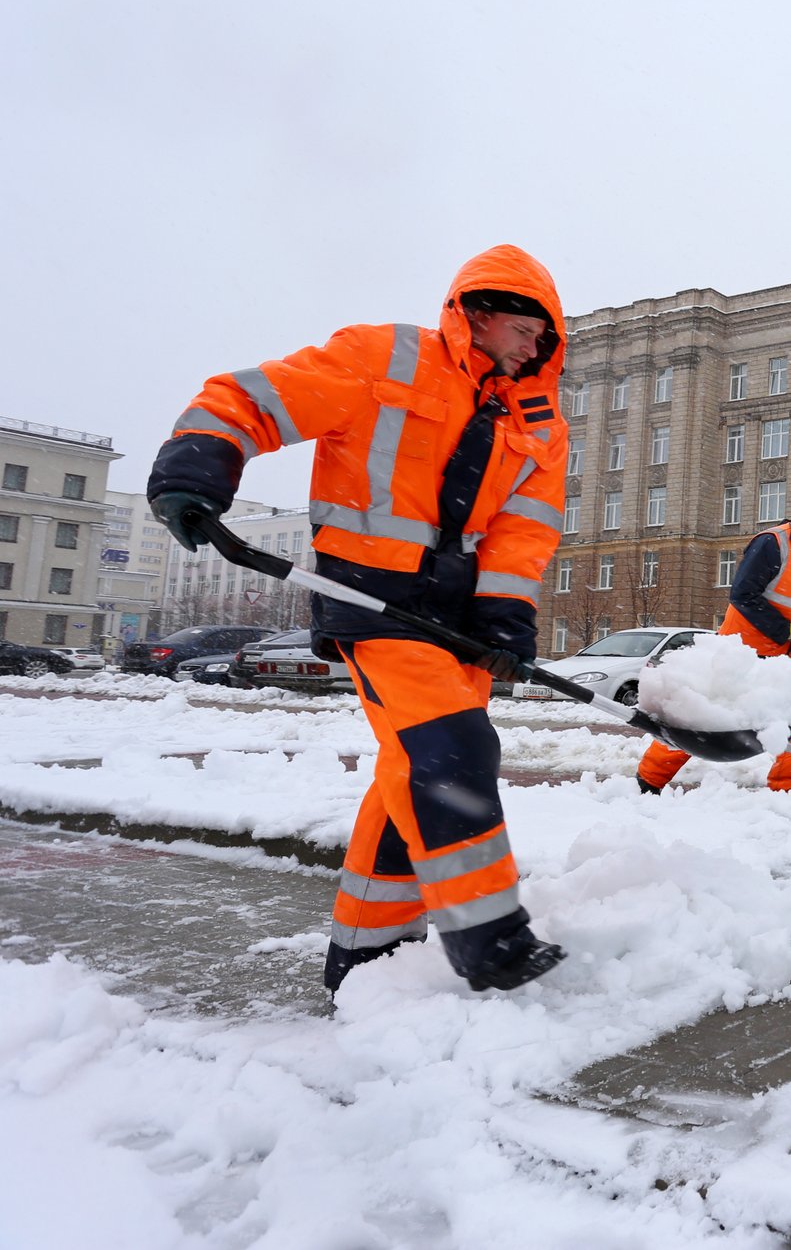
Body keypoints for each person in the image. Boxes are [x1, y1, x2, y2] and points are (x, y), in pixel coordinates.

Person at [146, 245, 571, 994]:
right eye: (532, 331)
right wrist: (197, 468)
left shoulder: (537, 419)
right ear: (485, 310)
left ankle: (366, 956)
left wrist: (507, 615)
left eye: (546, 340)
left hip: (460, 618)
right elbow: (253, 399)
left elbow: (523, 528)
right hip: (374, 599)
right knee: (451, 747)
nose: (540, 348)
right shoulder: (386, 357)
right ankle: (490, 939)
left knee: (407, 772)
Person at [637, 485, 791, 795]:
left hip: (785, 654)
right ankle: (649, 779)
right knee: (703, 719)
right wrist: (787, 630)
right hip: (740, 650)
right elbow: (743, 595)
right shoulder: (772, 544)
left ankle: (787, 789)